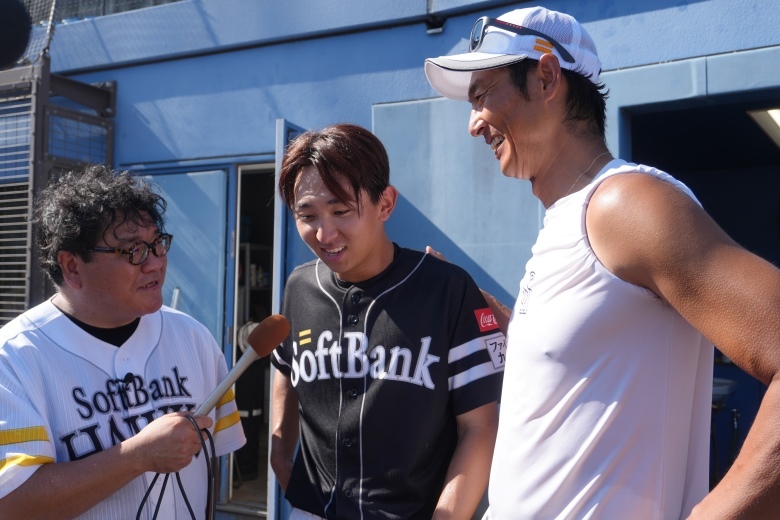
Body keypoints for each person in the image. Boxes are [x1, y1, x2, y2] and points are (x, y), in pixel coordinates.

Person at [424, 6, 780, 519]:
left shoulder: (624, 203)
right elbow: (581, 361)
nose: (473, 123)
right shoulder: (567, 220)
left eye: (482, 96)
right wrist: (485, 308)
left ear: (547, 78)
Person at [269, 123, 506, 519]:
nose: (324, 233)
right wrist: (280, 457)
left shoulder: (444, 289)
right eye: (307, 215)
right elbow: (284, 368)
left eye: (341, 211)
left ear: (385, 203)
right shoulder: (300, 286)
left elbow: (480, 426)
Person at [0, 164, 246, 518]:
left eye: (158, 244)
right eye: (133, 250)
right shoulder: (14, 358)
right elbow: (11, 504)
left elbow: (212, 464)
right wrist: (136, 456)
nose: (155, 264)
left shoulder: (193, 337)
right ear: (72, 267)